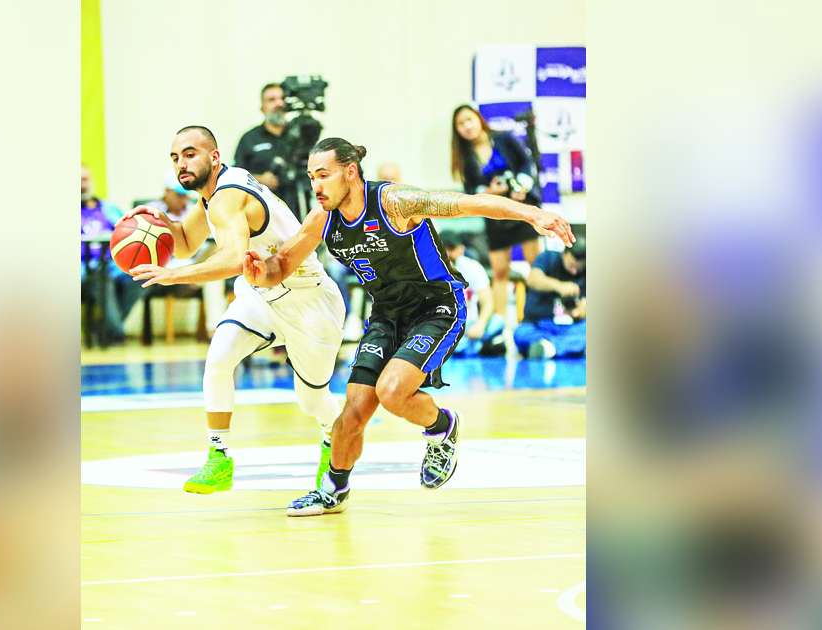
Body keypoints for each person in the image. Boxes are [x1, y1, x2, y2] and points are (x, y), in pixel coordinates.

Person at [242, 137, 574, 516]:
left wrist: (532, 213)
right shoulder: (322, 218)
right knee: (352, 412)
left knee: (392, 391)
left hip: (437, 308)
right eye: (311, 176)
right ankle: (333, 490)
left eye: (323, 175)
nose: (315, 186)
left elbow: (469, 203)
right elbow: (282, 264)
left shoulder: (394, 202)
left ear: (350, 172)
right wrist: (259, 272)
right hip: (386, 314)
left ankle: (442, 426)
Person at [123, 126, 346, 493]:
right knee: (219, 358)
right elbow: (184, 244)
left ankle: (333, 440)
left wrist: (172, 276)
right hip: (261, 294)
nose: (182, 163)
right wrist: (158, 224)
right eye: (176, 157)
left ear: (214, 157)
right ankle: (218, 457)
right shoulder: (212, 194)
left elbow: (230, 259)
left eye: (190, 153)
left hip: (308, 298)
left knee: (311, 400)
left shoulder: (228, 196)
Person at [450, 104, 542, 325]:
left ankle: (534, 317)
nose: (466, 127)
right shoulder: (464, 156)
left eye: (469, 120)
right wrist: (489, 192)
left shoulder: (504, 138)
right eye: (460, 124)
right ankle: (499, 325)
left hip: (521, 207)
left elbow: (527, 163)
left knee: (536, 265)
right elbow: (470, 190)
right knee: (500, 271)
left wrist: (522, 185)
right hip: (494, 215)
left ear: (479, 119)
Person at [81, 165, 142, 343]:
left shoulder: (108, 209)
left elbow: (130, 231)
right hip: (86, 269)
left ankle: (105, 326)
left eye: (85, 180)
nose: (82, 185)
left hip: (114, 265)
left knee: (142, 276)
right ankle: (115, 332)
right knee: (101, 278)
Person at [234, 83, 301, 218]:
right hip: (263, 215)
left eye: (282, 98)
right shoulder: (249, 138)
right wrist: (259, 179)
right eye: (272, 100)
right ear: (262, 108)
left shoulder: (300, 136)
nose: (279, 103)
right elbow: (235, 176)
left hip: (299, 210)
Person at [513, 237, 587, 359]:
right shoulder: (547, 258)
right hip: (538, 325)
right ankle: (565, 348)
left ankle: (549, 348)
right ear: (564, 254)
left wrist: (581, 311)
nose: (574, 272)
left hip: (568, 328)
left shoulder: (585, 273)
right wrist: (559, 286)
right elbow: (532, 279)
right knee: (520, 333)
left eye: (578, 268)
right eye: (572, 265)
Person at [442, 233, 505, 356]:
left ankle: (471, 347)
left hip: (471, 325)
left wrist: (480, 324)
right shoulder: (430, 271)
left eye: (452, 248)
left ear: (461, 249)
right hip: (445, 327)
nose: (449, 253)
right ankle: (480, 347)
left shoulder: (472, 267)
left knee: (498, 321)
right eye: (445, 249)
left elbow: (487, 302)